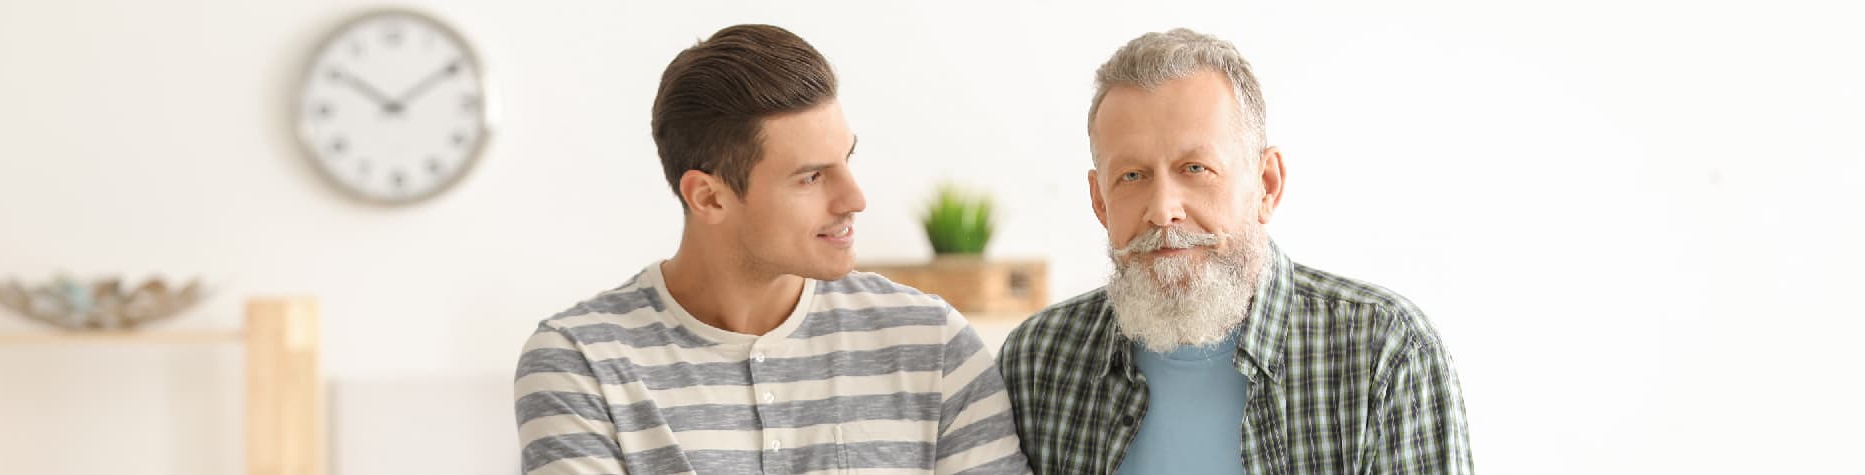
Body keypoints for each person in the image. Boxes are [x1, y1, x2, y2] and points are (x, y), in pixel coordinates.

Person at [514, 24, 1029, 475]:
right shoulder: (580, 361)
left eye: (847, 159)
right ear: (708, 197)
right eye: (811, 177)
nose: (854, 199)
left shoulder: (932, 343)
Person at [999, 28, 1474, 474]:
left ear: (1266, 184)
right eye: (1132, 176)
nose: (1163, 210)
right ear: (1100, 201)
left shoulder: (1386, 354)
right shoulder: (1037, 362)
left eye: (1195, 168)